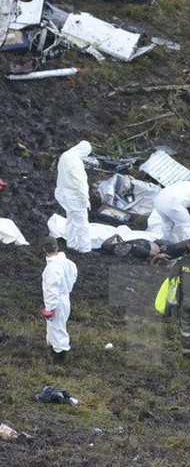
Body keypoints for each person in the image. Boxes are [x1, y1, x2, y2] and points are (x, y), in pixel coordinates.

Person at [41, 236, 78, 364]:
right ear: (57, 247)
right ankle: (53, 350)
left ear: (44, 250)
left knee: (57, 328)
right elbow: (73, 276)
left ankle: (59, 358)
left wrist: (49, 308)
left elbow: (52, 289)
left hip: (57, 302)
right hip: (64, 297)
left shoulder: (51, 268)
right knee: (54, 327)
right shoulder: (68, 263)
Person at [54, 140, 92, 253]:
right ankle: (85, 249)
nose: (85, 156)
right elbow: (80, 183)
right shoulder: (75, 162)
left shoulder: (65, 155)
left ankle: (71, 243)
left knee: (70, 218)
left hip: (62, 192)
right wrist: (85, 199)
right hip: (74, 196)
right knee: (82, 223)